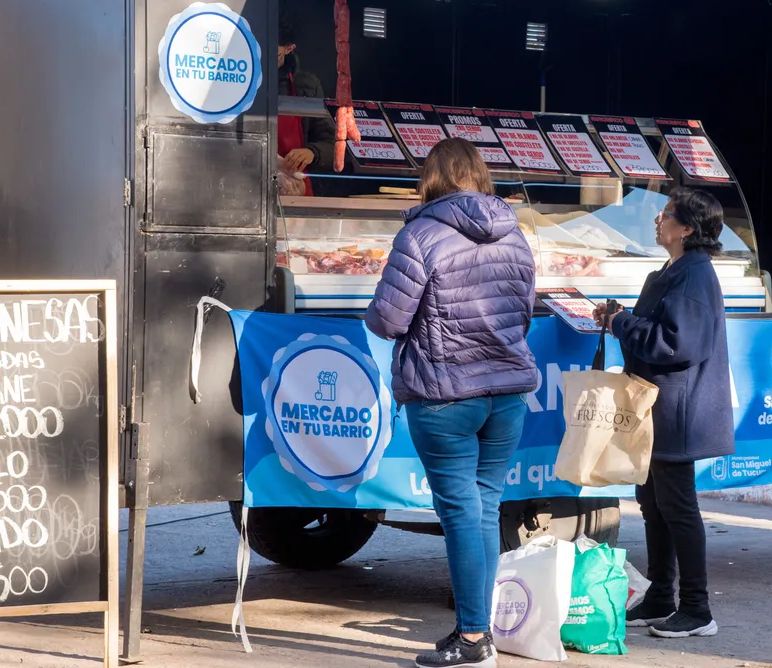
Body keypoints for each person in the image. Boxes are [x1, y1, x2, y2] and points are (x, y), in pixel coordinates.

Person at [365, 138, 538, 668]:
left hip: (444, 396)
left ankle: (472, 640)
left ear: (431, 178)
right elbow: (525, 312)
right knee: (483, 509)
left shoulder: (418, 234)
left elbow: (387, 321)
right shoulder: (516, 235)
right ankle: (477, 630)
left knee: (462, 514)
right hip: (506, 395)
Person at [594, 187, 735, 639]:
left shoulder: (694, 276)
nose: (658, 220)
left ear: (688, 229)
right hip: (657, 407)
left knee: (678, 507)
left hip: (679, 410)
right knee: (653, 504)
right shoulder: (675, 269)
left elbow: (676, 344)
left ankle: (697, 610)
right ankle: (660, 596)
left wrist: (620, 323)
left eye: (667, 215)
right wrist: (620, 319)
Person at [277, 16, 335, 195]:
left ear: (289, 49)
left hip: (295, 189)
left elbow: (332, 144)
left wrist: (312, 152)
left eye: (274, 53)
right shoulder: (242, 82)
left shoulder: (307, 86)